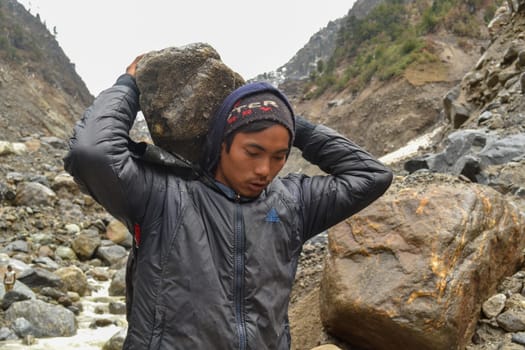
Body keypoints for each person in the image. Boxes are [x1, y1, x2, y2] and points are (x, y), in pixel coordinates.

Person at [64, 55, 393, 350]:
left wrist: (293, 123)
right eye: (252, 152)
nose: (265, 170)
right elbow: (90, 153)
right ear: (221, 143)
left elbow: (370, 175)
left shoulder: (293, 204)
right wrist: (129, 86)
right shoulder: (162, 196)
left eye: (279, 156)